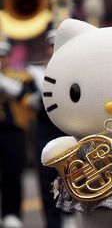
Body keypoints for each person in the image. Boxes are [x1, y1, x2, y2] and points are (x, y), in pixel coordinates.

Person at [27, 30, 76, 228]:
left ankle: (71, 216)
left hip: (69, 129)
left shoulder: (75, 70)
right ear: (47, 49)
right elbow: (27, 100)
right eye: (51, 46)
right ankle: (52, 222)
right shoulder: (35, 74)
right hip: (45, 131)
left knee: (73, 174)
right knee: (47, 176)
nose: (54, 49)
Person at [0, 40, 36, 228]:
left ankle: (12, 215)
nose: (0, 60)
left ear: (8, 57)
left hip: (13, 131)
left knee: (12, 174)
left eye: (2, 56)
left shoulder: (20, 76)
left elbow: (23, 94)